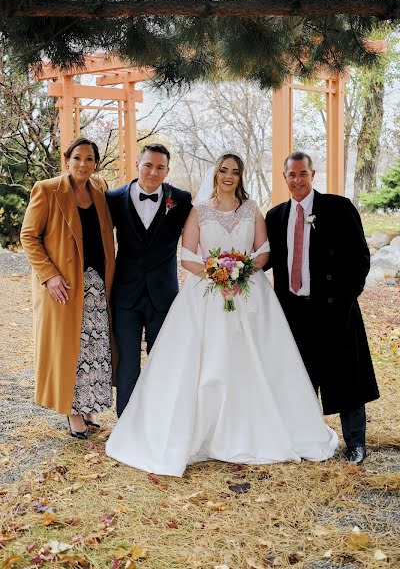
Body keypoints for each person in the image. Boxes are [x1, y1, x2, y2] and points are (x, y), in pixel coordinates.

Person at [106, 153, 338, 477]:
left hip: (249, 294)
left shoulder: (251, 208)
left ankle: (253, 429)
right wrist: (217, 275)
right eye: (223, 171)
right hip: (206, 293)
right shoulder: (198, 211)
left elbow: (264, 251)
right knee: (207, 363)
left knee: (252, 360)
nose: (229, 176)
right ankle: (201, 430)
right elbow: (187, 256)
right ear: (215, 174)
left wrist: (240, 272)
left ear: (241, 177)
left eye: (235, 172)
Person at [265, 151, 379, 465]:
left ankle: (355, 443)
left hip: (334, 309)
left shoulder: (339, 208)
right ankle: (308, 439)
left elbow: (360, 257)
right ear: (284, 177)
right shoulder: (275, 217)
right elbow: (264, 259)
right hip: (293, 312)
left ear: (313, 175)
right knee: (300, 378)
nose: (297, 180)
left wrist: (346, 297)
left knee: (346, 378)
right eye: (292, 175)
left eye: (303, 174)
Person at [20, 137, 116, 439]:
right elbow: (28, 236)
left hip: (97, 284)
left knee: (93, 347)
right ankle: (72, 411)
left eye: (89, 159)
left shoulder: (100, 191)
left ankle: (88, 406)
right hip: (64, 285)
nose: (83, 164)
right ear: (67, 160)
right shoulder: (47, 190)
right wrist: (49, 276)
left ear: (96, 164)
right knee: (70, 350)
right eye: (77, 158)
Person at [105, 143, 192, 417]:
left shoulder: (182, 199)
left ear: (167, 170)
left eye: (160, 167)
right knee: (128, 361)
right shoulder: (114, 198)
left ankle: (157, 419)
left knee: (161, 360)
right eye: (148, 165)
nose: (153, 172)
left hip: (163, 295)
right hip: (126, 295)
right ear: (137, 164)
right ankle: (127, 422)